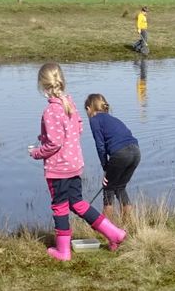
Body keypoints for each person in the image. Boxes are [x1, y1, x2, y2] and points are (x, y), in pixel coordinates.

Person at [28, 63, 127, 261]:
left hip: (58, 168)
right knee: (78, 203)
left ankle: (63, 252)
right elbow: (77, 129)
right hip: (74, 165)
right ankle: (115, 233)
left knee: (60, 207)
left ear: (42, 85)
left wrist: (38, 152)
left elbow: (55, 142)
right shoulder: (70, 104)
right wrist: (46, 138)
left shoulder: (51, 111)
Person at [84, 94, 141, 223]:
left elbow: (100, 146)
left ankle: (106, 228)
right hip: (136, 152)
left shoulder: (94, 120)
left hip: (121, 153)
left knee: (108, 189)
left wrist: (105, 167)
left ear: (89, 108)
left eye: (86, 111)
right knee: (120, 187)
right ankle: (128, 224)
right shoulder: (113, 119)